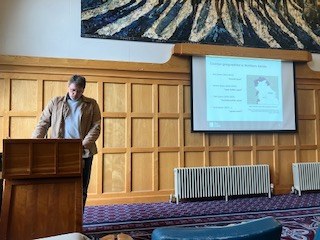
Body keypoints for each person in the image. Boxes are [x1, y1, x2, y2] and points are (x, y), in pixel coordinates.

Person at [32, 74, 101, 208]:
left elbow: (96, 126)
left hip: (83, 152)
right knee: (59, 187)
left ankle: (78, 221)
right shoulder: (55, 102)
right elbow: (43, 123)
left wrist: (82, 145)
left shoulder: (91, 104)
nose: (75, 94)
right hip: (59, 151)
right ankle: (60, 219)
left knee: (81, 189)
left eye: (79, 91)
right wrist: (34, 142)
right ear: (68, 87)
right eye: (72, 90)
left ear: (83, 90)